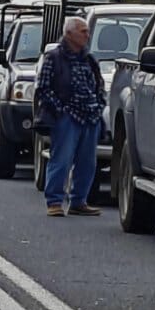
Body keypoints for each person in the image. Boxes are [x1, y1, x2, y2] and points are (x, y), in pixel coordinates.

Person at [35, 15, 105, 218]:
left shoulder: (89, 59)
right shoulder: (53, 58)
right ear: (69, 34)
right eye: (83, 31)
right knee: (62, 159)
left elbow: (99, 85)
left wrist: (99, 105)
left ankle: (79, 201)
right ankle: (54, 202)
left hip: (90, 116)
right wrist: (61, 109)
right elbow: (43, 88)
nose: (87, 35)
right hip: (67, 118)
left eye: (87, 31)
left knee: (88, 163)